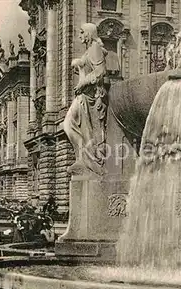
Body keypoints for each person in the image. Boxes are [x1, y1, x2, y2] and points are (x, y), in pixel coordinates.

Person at [63, 23, 110, 175]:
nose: (79, 35)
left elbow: (101, 72)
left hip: (91, 97)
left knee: (70, 125)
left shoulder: (95, 48)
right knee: (71, 125)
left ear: (89, 34)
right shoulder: (89, 50)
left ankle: (88, 160)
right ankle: (82, 159)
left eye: (82, 32)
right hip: (84, 96)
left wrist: (83, 82)